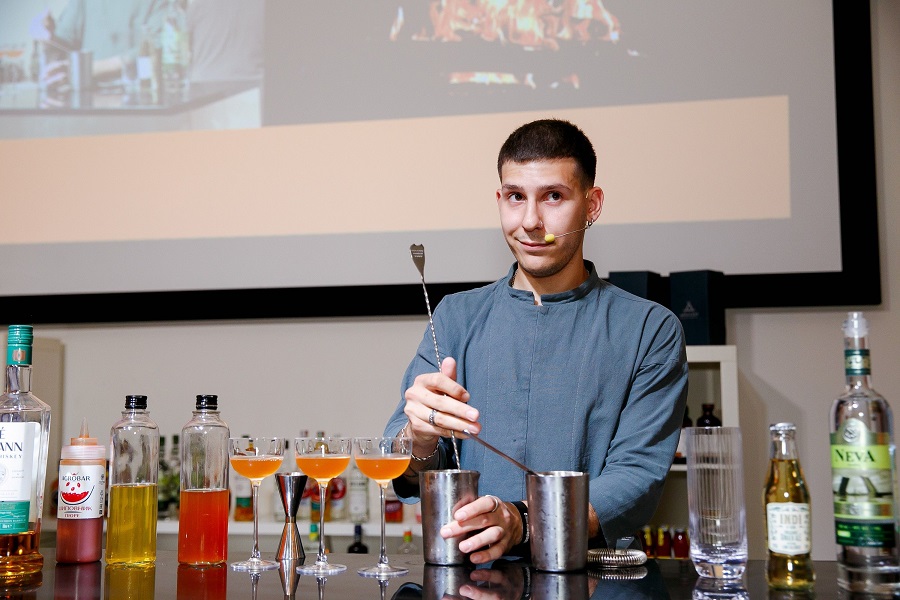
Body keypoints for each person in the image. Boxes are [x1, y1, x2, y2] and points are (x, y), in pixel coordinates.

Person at [383, 118, 689, 564]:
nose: (530, 221)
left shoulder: (650, 329)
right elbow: (404, 463)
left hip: (590, 579)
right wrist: (419, 439)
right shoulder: (453, 317)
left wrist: (525, 521)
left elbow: (637, 475)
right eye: (515, 197)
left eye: (553, 196)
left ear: (592, 204)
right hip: (469, 577)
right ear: (499, 201)